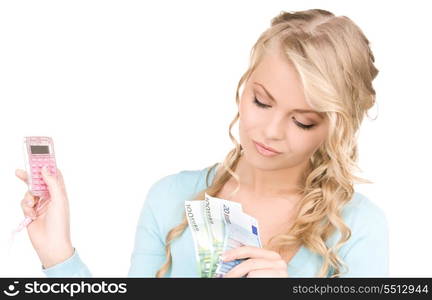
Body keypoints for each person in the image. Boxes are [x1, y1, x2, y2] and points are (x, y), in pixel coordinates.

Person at [15, 8, 388, 278]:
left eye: (303, 121)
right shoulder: (169, 197)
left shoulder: (358, 227)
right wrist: (57, 255)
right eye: (261, 101)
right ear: (244, 88)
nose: (272, 131)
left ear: (335, 128)